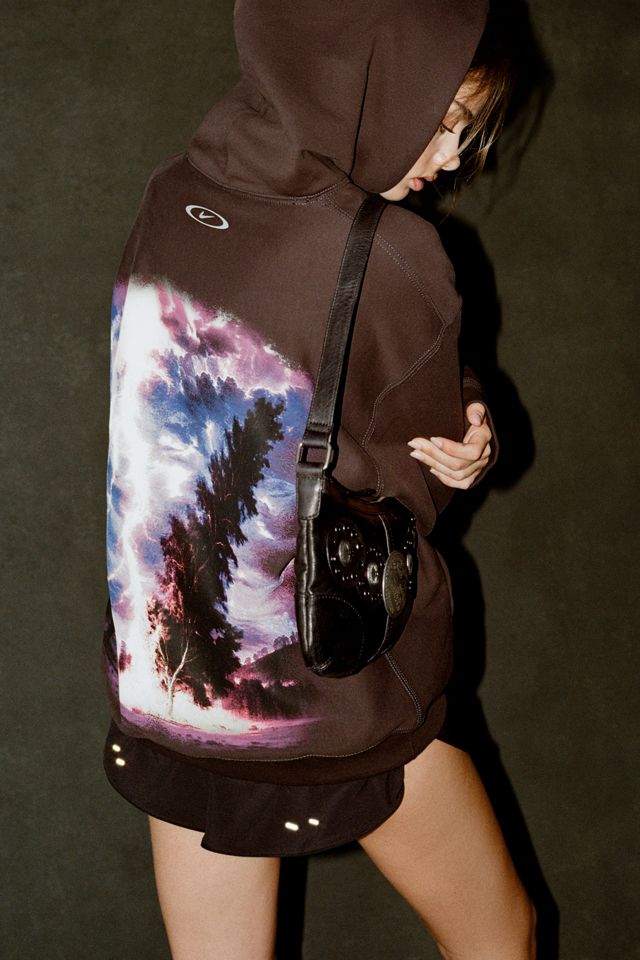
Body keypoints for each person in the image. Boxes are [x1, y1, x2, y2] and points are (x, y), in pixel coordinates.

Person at [100, 0, 537, 957]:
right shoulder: (393, 254)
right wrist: (470, 436)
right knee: (501, 936)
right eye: (445, 119)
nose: (452, 157)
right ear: (374, 82)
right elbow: (413, 476)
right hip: (317, 694)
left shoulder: (174, 194)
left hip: (172, 675)